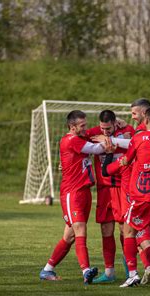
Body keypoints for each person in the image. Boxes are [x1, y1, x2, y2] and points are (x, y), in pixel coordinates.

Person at [103, 106, 150, 288]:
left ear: (145, 119)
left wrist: (111, 163)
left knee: (130, 232)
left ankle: (133, 274)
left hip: (144, 193)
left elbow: (127, 160)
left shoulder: (139, 138)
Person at [39, 110, 109, 285]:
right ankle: (86, 271)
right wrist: (108, 141)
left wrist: (111, 127)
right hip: (72, 193)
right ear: (72, 127)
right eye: (82, 125)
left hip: (84, 192)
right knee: (80, 230)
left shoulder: (80, 137)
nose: (86, 128)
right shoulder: (71, 140)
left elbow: (93, 134)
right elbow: (97, 148)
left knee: (69, 237)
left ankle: (47, 270)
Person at [86, 110, 135, 283]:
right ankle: (109, 272)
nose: (105, 132)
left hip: (122, 187)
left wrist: (114, 137)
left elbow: (135, 144)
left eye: (108, 128)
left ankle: (131, 269)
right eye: (102, 128)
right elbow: (75, 139)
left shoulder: (127, 130)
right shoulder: (93, 133)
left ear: (115, 123)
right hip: (104, 189)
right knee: (106, 230)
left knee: (125, 229)